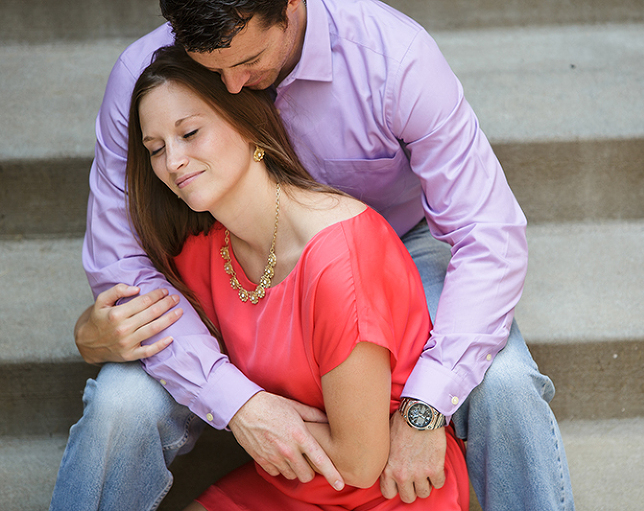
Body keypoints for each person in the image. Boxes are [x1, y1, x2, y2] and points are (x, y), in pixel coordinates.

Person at [51, 1, 573, 510]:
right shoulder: (145, 72)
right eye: (211, 70)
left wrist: (427, 404)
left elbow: (489, 233)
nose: (232, 87)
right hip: (239, 260)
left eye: (248, 61)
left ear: (291, 5)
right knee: (121, 405)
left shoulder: (394, 56)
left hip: (397, 245)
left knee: (505, 384)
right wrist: (235, 400)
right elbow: (125, 265)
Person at [121, 44, 469, 510]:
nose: (173, 161)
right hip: (289, 482)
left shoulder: (339, 257)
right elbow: (140, 321)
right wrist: (92, 337)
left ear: (248, 125)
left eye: (190, 133)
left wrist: (251, 416)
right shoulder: (205, 249)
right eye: (156, 149)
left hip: (393, 488)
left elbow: (360, 460)